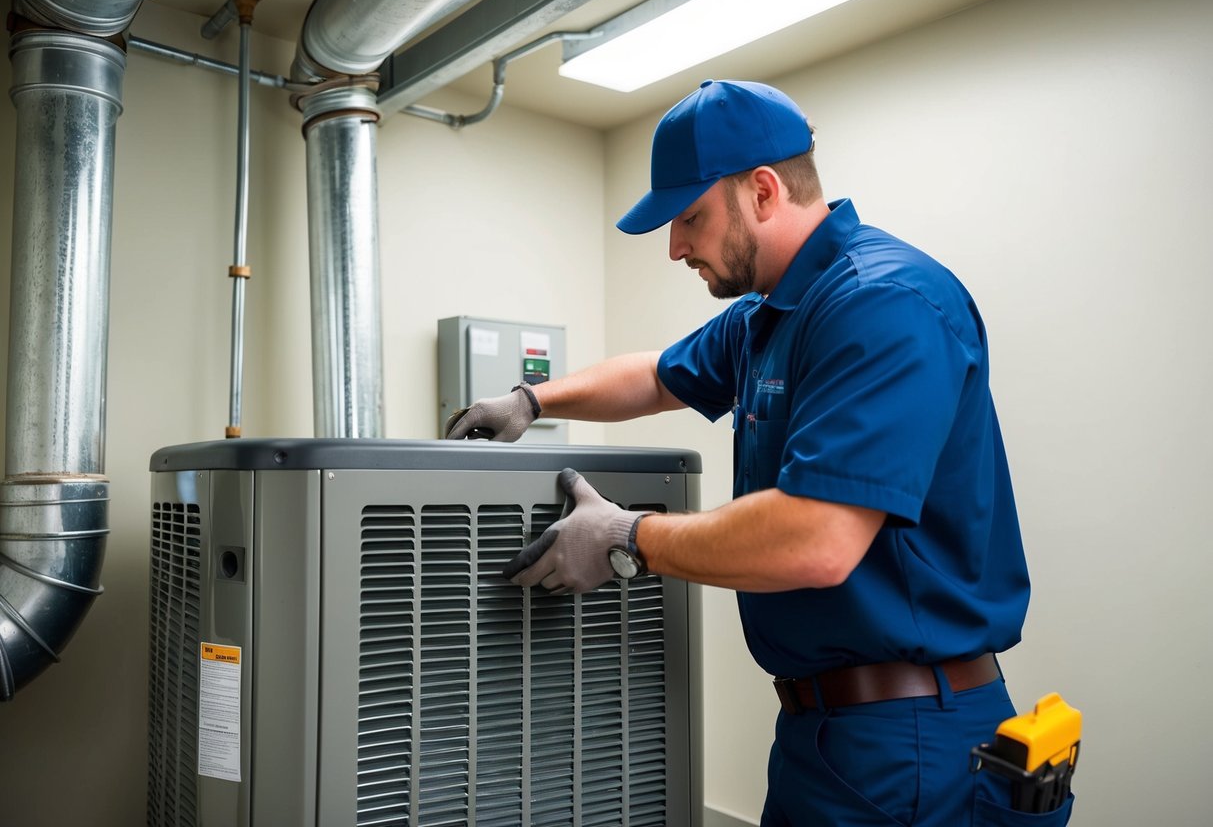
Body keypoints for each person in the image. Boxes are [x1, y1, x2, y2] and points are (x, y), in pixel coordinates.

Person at [446, 79, 1069, 826]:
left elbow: (817, 540)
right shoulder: (770, 317)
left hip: (909, 738)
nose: (675, 247)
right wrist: (532, 402)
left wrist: (627, 538)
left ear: (764, 191)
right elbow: (654, 375)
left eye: (690, 218)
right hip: (823, 734)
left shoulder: (882, 302)